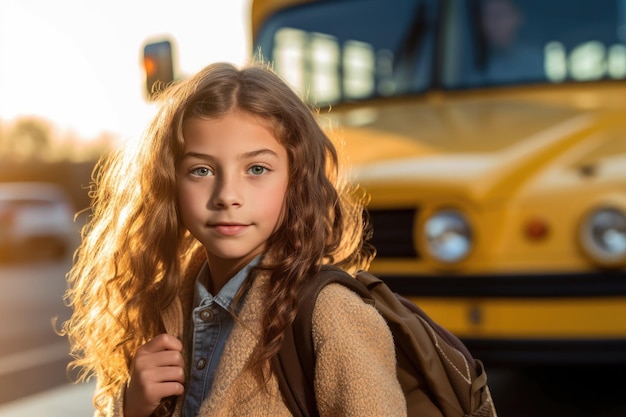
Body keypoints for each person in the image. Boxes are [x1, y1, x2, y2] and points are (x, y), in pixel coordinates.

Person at [63, 61, 406, 417]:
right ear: (169, 184)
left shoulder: (331, 314)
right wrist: (131, 408)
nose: (227, 195)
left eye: (257, 169)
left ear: (296, 180)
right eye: (201, 170)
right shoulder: (165, 304)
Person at [476, 0, 544, 83]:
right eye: (486, 16)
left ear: (517, 18)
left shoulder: (533, 61)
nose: (493, 23)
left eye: (499, 15)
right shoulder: (470, 63)